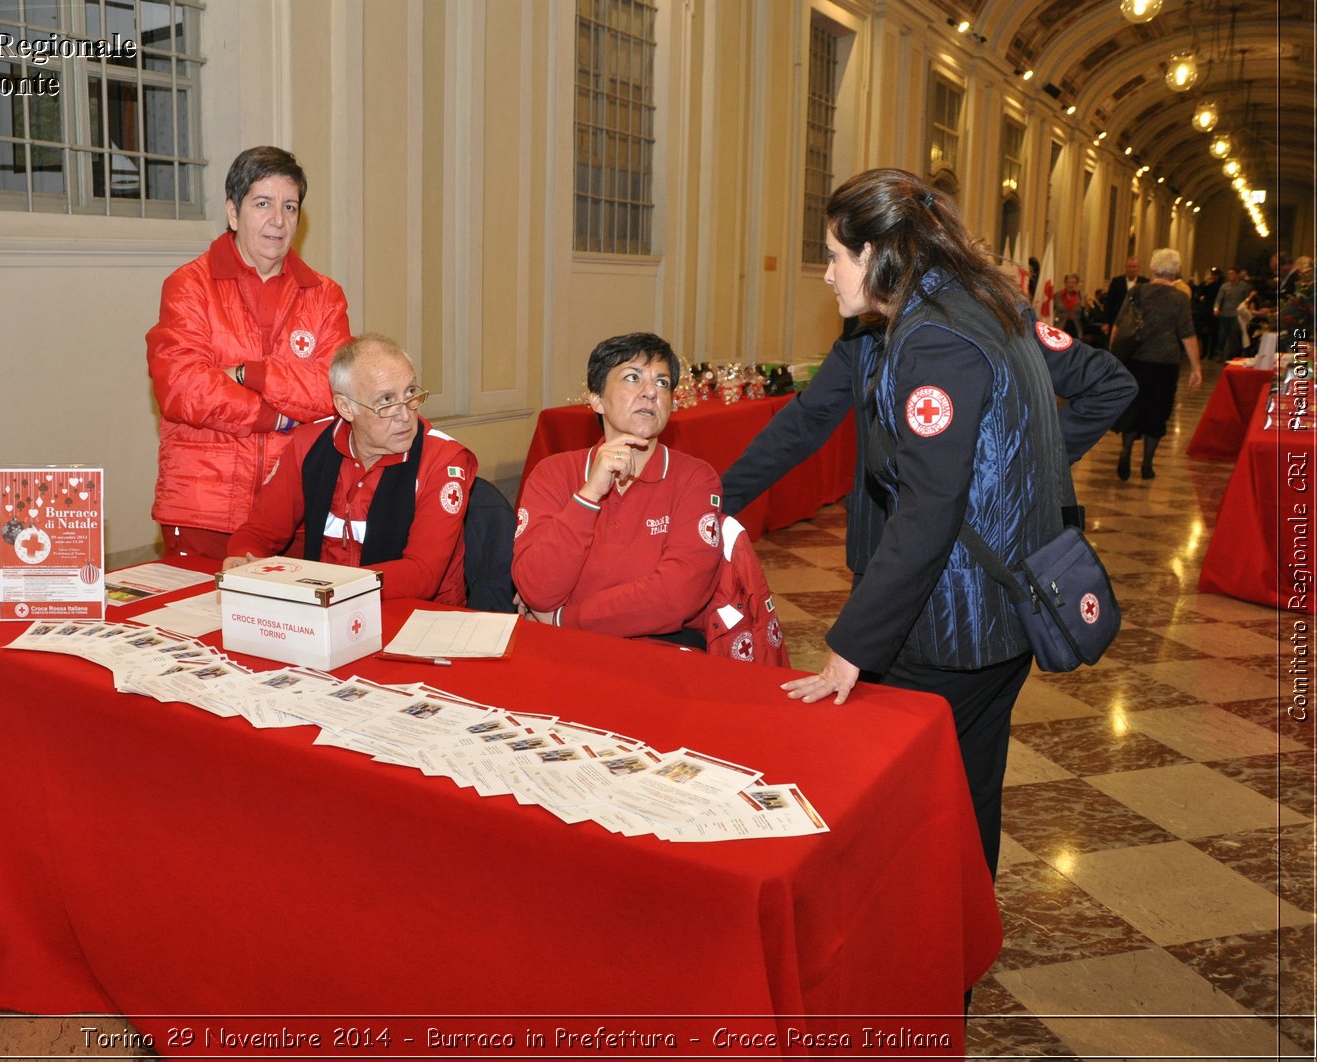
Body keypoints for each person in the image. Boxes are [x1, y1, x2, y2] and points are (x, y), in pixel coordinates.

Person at [737, 169, 1132, 884]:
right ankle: (958, 959)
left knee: (897, 803)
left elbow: (927, 511)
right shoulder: (978, 302)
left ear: (880, 252)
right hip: (1002, 615)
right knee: (969, 790)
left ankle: (916, 957)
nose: (825, 275)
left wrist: (853, 647)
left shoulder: (932, 340)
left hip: (952, 624)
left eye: (834, 255)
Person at [147, 146, 352, 559]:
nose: (278, 220)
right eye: (263, 203)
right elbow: (182, 386)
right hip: (204, 507)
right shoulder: (189, 286)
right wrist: (272, 416)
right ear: (233, 212)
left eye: (290, 206)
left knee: (290, 624)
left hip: (293, 510)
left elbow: (335, 389)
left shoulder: (324, 296)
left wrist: (248, 374)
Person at [222, 334, 477, 605]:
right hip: (326, 607)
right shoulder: (309, 445)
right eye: (387, 402)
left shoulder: (444, 460)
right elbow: (260, 532)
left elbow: (421, 575)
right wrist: (242, 559)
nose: (405, 416)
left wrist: (324, 588)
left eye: (411, 394)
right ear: (346, 407)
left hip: (417, 616)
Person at [512, 333, 722, 642]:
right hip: (566, 650)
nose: (650, 392)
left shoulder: (695, 478)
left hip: (659, 649)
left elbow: (676, 596)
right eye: (633, 378)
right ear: (596, 399)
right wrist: (589, 495)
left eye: (662, 383)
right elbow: (538, 589)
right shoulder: (553, 473)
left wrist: (562, 618)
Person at [1110, 248, 1204, 481]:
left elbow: (1119, 326)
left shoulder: (1137, 292)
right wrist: (1196, 368)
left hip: (1135, 361)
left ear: (1152, 268)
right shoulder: (1180, 298)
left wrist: (1114, 358)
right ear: (1176, 271)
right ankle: (1147, 464)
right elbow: (1187, 334)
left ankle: (1126, 451)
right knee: (1157, 412)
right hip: (1164, 364)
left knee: (1133, 409)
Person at [1212, 266, 1252, 361]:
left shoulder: (1244, 286)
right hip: (1225, 313)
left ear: (1237, 274)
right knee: (1222, 335)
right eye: (1229, 274)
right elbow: (1219, 299)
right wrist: (1216, 308)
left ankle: (1233, 355)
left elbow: (1247, 300)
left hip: (1237, 314)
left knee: (1234, 335)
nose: (1230, 276)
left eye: (1232, 273)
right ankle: (1220, 353)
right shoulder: (1224, 286)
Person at [1103, 256, 1146, 325]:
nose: (1131, 269)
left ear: (1139, 269)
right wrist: (1106, 322)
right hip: (1117, 320)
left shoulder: (1145, 283)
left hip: (1137, 322)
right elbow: (1109, 302)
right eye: (1129, 266)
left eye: (1134, 267)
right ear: (1125, 268)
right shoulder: (1116, 282)